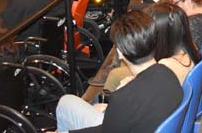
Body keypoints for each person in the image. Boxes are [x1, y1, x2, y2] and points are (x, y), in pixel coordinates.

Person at [53, 10, 182, 133]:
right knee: (67, 102)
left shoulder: (122, 98)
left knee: (66, 103)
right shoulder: (168, 73)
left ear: (120, 52)